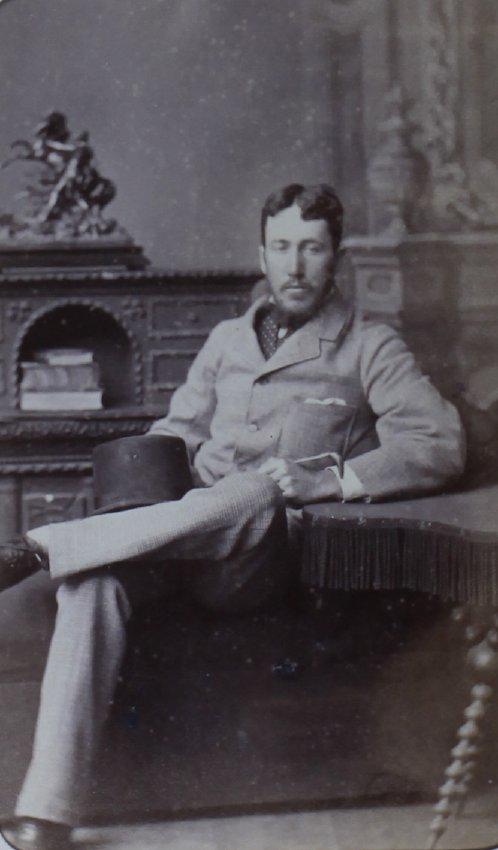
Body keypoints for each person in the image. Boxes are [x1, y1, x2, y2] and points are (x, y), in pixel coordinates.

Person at [0, 183, 465, 850]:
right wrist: (141, 487)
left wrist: (333, 477)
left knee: (257, 492)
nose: (295, 265)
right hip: (183, 535)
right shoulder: (225, 341)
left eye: (311, 248)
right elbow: (177, 432)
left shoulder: (370, 347)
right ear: (262, 255)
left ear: (337, 258)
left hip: (264, 555)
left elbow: (440, 444)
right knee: (94, 582)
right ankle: (46, 812)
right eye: (282, 248)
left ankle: (38, 548)